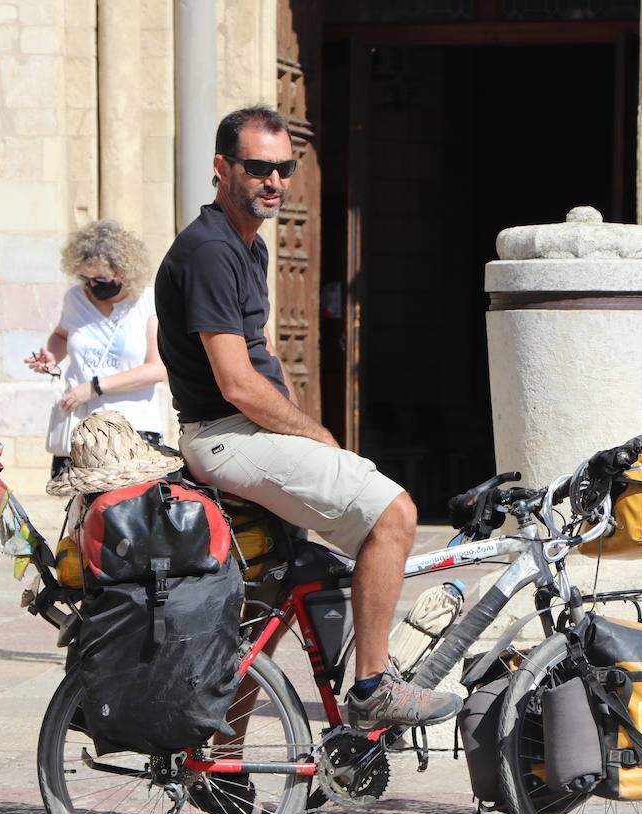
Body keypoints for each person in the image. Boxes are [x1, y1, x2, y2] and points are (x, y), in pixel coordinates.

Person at [154, 105, 463, 733]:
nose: (274, 181)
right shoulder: (210, 251)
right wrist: (315, 434)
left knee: (275, 601)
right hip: (226, 436)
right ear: (222, 168)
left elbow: (262, 356)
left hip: (247, 434)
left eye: (284, 168)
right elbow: (238, 384)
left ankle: (219, 759)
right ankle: (374, 688)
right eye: (258, 167)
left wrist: (297, 420)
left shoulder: (249, 248)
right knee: (395, 513)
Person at [24, 220, 167, 478]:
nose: (92, 286)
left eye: (100, 278)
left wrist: (94, 387)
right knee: (83, 515)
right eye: (85, 278)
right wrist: (52, 356)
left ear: (123, 270)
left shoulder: (147, 302)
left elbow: (157, 369)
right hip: (80, 431)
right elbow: (60, 335)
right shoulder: (75, 299)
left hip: (133, 430)